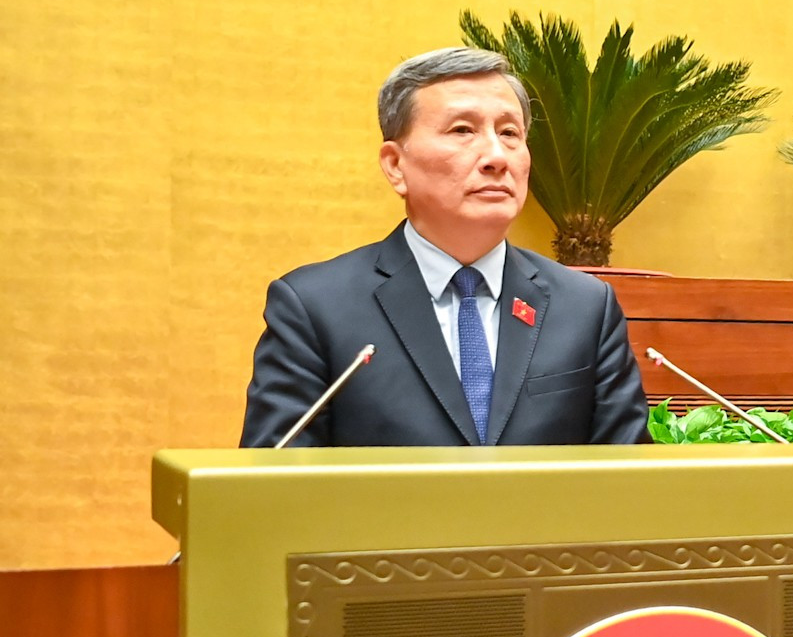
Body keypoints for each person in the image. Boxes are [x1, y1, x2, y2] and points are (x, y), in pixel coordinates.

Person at [240, 47, 651, 447]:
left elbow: (633, 484)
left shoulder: (584, 307)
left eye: (510, 133)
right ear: (395, 165)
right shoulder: (316, 307)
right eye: (463, 131)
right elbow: (272, 490)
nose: (496, 155)